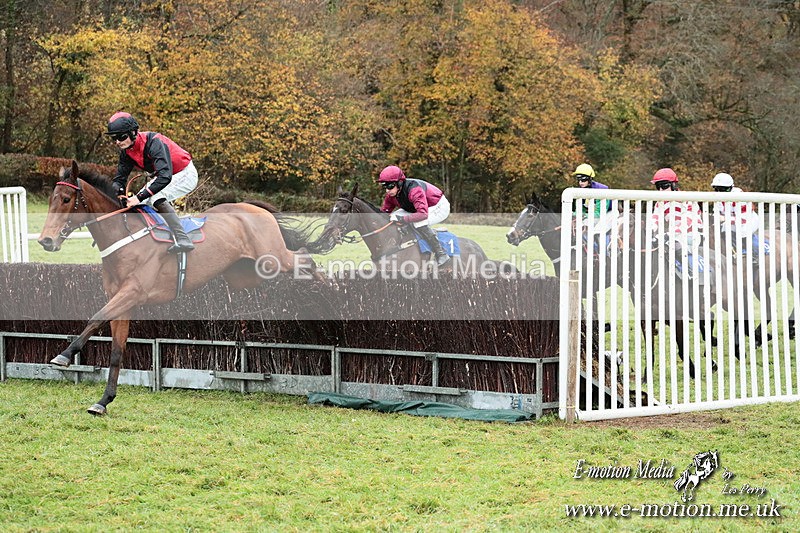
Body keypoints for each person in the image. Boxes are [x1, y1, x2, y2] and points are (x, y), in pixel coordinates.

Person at [106, 112, 198, 253]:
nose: (117, 141)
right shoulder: (126, 151)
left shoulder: (154, 142)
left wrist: (138, 197)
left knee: (155, 197)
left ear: (133, 133)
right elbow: (119, 179)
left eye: (121, 137)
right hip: (166, 176)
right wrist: (115, 193)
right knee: (141, 205)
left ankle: (183, 238)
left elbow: (164, 177)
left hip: (184, 173)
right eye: (114, 138)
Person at [377, 165, 451, 266]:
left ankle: (441, 254)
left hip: (438, 206)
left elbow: (422, 214)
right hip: (417, 209)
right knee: (392, 217)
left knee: (418, 222)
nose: (387, 190)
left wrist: (404, 219)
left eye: (390, 186)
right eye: (385, 187)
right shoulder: (391, 195)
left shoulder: (414, 190)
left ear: (399, 182)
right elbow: (384, 214)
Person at [650, 167, 703, 249]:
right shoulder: (660, 203)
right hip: (673, 235)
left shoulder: (687, 199)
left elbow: (687, 222)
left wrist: (668, 234)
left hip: (693, 234)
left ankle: (687, 262)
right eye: (658, 186)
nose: (660, 190)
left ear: (673, 185)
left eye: (664, 186)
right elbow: (655, 219)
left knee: (673, 243)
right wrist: (650, 230)